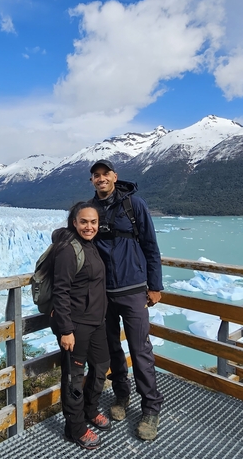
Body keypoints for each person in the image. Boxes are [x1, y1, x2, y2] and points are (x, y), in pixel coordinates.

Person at [88, 159, 164, 441]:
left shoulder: (134, 205)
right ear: (92, 181)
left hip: (132, 289)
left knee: (140, 349)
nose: (101, 178)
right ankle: (121, 395)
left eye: (105, 174)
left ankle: (151, 408)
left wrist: (154, 285)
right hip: (102, 292)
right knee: (111, 349)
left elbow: (150, 246)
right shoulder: (90, 210)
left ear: (114, 177)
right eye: (96, 175)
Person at [49, 201, 111, 450]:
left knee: (101, 366)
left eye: (93, 222)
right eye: (83, 221)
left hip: (96, 322)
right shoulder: (68, 250)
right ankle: (74, 428)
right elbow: (60, 291)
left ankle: (90, 409)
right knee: (74, 377)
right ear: (74, 223)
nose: (89, 226)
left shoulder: (90, 245)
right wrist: (66, 329)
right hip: (76, 325)